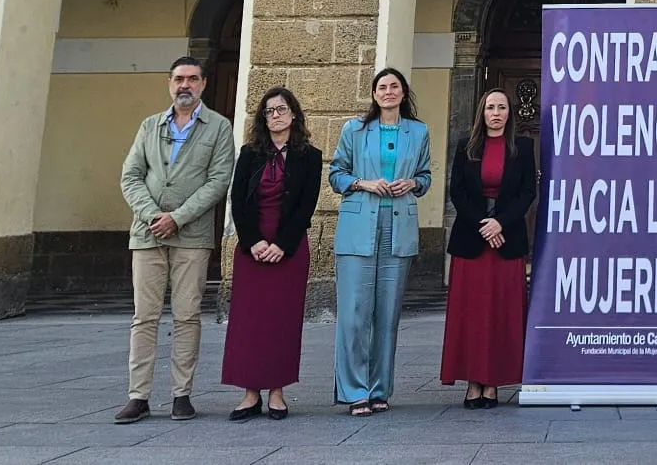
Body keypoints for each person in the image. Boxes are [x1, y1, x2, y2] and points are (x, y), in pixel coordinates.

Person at [115, 56, 237, 424]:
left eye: (193, 79)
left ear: (203, 84)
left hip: (192, 237)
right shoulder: (150, 126)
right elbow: (131, 176)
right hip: (147, 233)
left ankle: (181, 394)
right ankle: (138, 396)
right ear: (169, 83)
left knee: (187, 316)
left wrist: (178, 218)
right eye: (179, 79)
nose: (185, 85)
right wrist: (154, 215)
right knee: (144, 317)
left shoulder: (218, 127)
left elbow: (218, 181)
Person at [329, 67, 433, 416]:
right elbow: (336, 174)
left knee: (387, 314)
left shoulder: (418, 132)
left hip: (398, 225)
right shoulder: (354, 130)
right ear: (374, 94)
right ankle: (353, 390)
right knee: (354, 314)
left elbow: (426, 175)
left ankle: (379, 389)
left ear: (404, 93)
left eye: (394, 87)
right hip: (359, 226)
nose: (388, 92)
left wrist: (414, 185)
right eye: (382, 87)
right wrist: (363, 183)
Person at [221, 86, 322, 421]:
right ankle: (250, 394)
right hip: (253, 248)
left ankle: (277, 392)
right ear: (263, 119)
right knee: (249, 323)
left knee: (282, 322)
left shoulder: (310, 156)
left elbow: (306, 205)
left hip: (288, 248)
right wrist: (253, 242)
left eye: (281, 109)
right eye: (269, 111)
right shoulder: (250, 153)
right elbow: (238, 200)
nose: (276, 116)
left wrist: (282, 243)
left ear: (294, 114)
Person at [442, 89, 536, 408]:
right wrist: (484, 224)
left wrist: (501, 224)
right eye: (490, 107)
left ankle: (493, 381)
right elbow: (457, 192)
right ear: (482, 112)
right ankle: (473, 381)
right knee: (472, 314)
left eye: (501, 107)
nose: (495, 112)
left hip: (507, 240)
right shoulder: (466, 147)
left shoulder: (522, 147)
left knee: (500, 313)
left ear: (509, 114)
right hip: (472, 239)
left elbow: (527, 192)